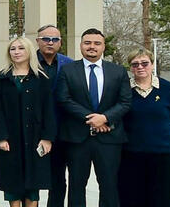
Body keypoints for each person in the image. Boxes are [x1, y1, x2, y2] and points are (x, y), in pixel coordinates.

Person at [53, 28, 131, 207]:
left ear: (103, 47)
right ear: (81, 45)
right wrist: (93, 119)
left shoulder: (118, 71)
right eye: (87, 43)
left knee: (110, 186)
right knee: (76, 186)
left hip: (109, 139)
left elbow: (125, 102)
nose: (92, 47)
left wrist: (105, 118)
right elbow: (63, 99)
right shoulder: (68, 70)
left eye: (97, 43)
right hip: (77, 139)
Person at [117, 49, 170, 207]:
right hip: (130, 155)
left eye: (144, 63)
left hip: (163, 154)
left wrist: (161, 127)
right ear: (130, 68)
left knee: (163, 199)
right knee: (131, 199)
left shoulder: (166, 88)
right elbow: (117, 115)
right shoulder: (124, 89)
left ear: (152, 65)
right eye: (135, 64)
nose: (140, 67)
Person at [0, 37, 55, 207]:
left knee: (33, 185)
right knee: (12, 183)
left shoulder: (41, 77)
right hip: (11, 139)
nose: (17, 52)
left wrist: (47, 137)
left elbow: (49, 109)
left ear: (29, 52)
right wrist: (1, 137)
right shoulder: (2, 78)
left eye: (21, 48)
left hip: (35, 138)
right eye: (13, 49)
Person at [33, 25, 73, 207]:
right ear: (37, 41)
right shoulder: (26, 61)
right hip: (32, 130)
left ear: (60, 42)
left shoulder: (70, 64)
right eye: (46, 39)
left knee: (58, 179)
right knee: (31, 178)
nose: (50, 43)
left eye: (55, 39)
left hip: (62, 131)